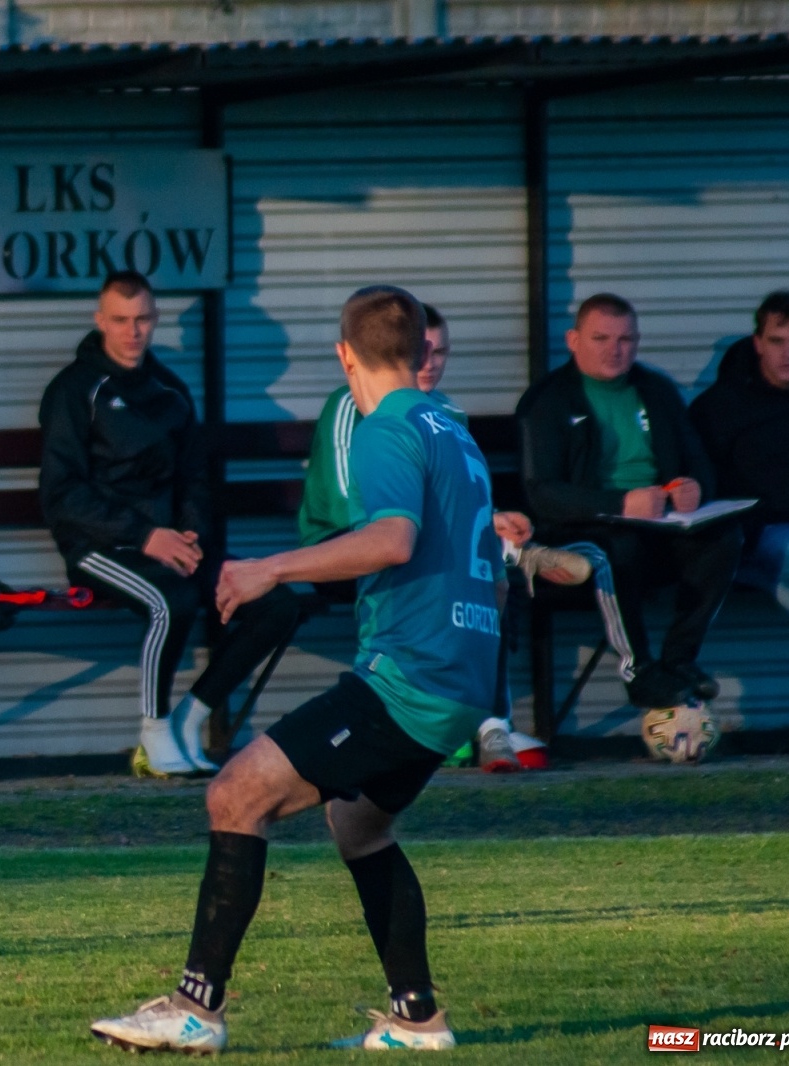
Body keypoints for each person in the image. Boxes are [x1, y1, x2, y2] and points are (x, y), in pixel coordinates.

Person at [90, 286, 502, 1054]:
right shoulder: (455, 430)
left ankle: (195, 1009)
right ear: (418, 351)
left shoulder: (385, 427)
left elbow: (392, 540)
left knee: (236, 792)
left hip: (407, 679)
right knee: (358, 824)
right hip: (461, 681)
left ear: (345, 355)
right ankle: (418, 1019)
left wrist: (268, 570)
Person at [297, 303, 588, 771]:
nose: (430, 363)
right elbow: (355, 508)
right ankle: (465, 718)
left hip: (409, 545)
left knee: (482, 575)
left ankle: (487, 723)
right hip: (344, 543)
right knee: (472, 571)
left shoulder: (447, 413)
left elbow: (443, 499)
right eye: (424, 353)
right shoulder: (355, 409)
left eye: (441, 354)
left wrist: (489, 518)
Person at [39, 270, 303, 776]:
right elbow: (61, 494)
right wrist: (144, 535)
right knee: (172, 601)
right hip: (100, 548)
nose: (132, 331)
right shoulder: (74, 390)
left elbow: (194, 479)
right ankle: (153, 733)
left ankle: (190, 717)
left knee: (277, 604)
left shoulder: (170, 390)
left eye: (142, 319)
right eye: (120, 320)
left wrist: (191, 536)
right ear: (100, 321)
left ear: (155, 320)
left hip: (172, 545)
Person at [517, 293, 742, 710]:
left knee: (724, 538)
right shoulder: (548, 401)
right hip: (585, 529)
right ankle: (638, 671)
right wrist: (620, 503)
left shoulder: (655, 390)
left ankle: (679, 661)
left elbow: (698, 462)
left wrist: (693, 488)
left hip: (661, 522)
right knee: (615, 550)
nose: (614, 350)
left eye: (626, 340)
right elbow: (542, 493)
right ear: (573, 340)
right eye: (601, 338)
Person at [691, 290, 789, 626]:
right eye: (777, 341)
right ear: (758, 343)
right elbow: (698, 483)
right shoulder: (720, 407)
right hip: (757, 534)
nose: (788, 353)